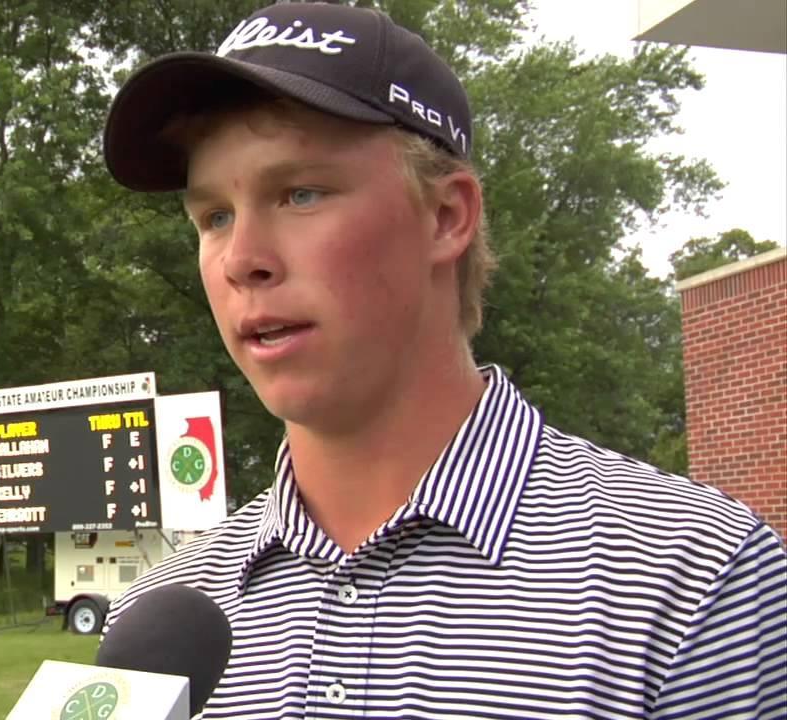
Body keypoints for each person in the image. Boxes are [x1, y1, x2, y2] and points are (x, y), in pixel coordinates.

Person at [98, 3, 787, 718]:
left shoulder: (693, 581)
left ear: (447, 217)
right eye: (214, 217)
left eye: (300, 193)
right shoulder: (155, 623)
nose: (242, 260)